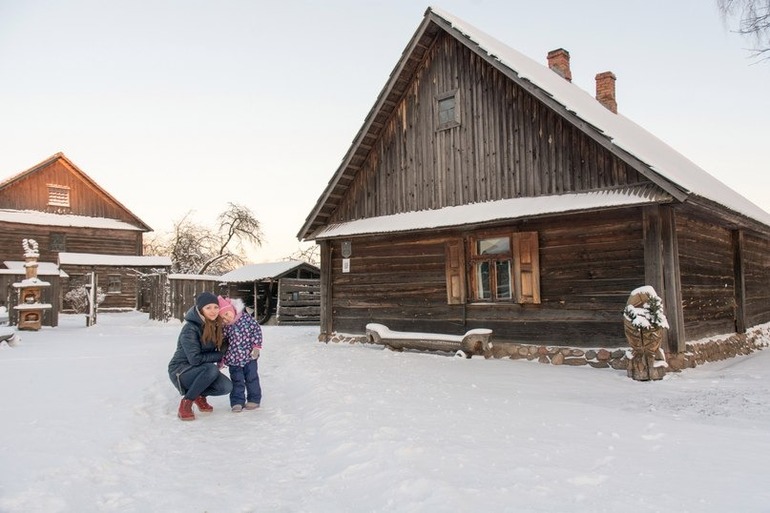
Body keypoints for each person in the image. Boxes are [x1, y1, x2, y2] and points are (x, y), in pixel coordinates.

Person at [168, 292, 233, 421]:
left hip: (200, 369)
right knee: (211, 369)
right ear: (200, 309)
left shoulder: (215, 326)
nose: (213, 311)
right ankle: (186, 402)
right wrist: (219, 355)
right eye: (208, 308)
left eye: (216, 307)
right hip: (180, 371)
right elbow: (195, 359)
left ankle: (198, 395)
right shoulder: (190, 328)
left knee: (226, 387)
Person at [217, 295, 263, 412]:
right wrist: (222, 358)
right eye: (223, 318)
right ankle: (237, 401)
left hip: (249, 356)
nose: (227, 318)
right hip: (234, 359)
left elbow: (256, 331)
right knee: (237, 380)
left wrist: (256, 347)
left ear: (232, 309)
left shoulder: (246, 319)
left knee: (252, 378)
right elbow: (224, 343)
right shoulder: (226, 327)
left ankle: (254, 399)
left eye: (227, 314)